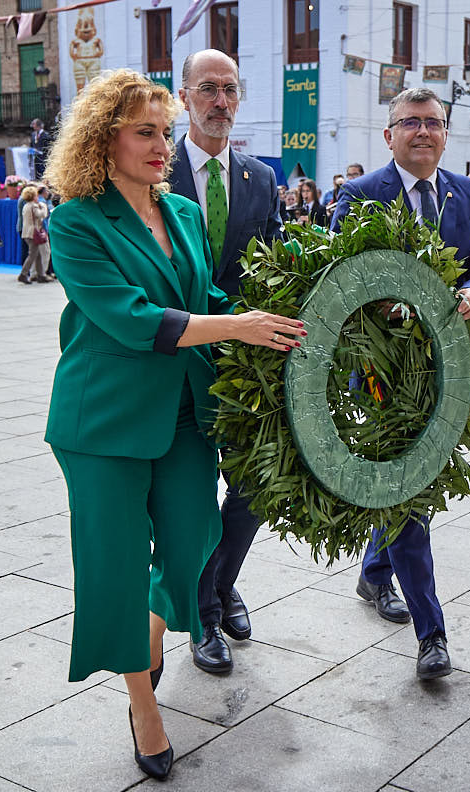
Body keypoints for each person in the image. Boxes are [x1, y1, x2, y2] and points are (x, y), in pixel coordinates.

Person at [42, 68, 304, 781]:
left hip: (187, 411)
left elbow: (205, 293)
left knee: (193, 546)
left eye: (164, 132)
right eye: (145, 133)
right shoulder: (75, 220)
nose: (163, 146)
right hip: (104, 424)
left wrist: (283, 311)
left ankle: (150, 636)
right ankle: (143, 705)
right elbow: (129, 319)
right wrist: (237, 324)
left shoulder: (182, 213)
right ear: (105, 140)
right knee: (117, 567)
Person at [331, 85, 470, 679]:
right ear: (390, 135)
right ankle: (433, 635)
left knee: (409, 486)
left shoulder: (468, 193)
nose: (423, 131)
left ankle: (376, 573)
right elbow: (338, 279)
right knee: (409, 491)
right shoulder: (358, 195)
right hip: (381, 375)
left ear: (446, 133)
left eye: (434, 122)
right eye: (411, 122)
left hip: (446, 368)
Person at [169, 48, 283, 676]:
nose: (220, 100)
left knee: (252, 487)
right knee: (189, 497)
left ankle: (220, 585)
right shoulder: (154, 175)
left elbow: (269, 272)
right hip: (174, 360)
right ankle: (202, 612)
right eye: (207, 88)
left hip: (244, 366)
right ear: (183, 96)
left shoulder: (260, 180)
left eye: (230, 89)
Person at [18, 185, 51, 284]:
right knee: (32, 255)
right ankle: (23, 274)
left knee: (37, 255)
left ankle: (41, 275)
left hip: (27, 233)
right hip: (33, 233)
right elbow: (42, 215)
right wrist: (44, 207)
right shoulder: (34, 206)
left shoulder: (26, 205)